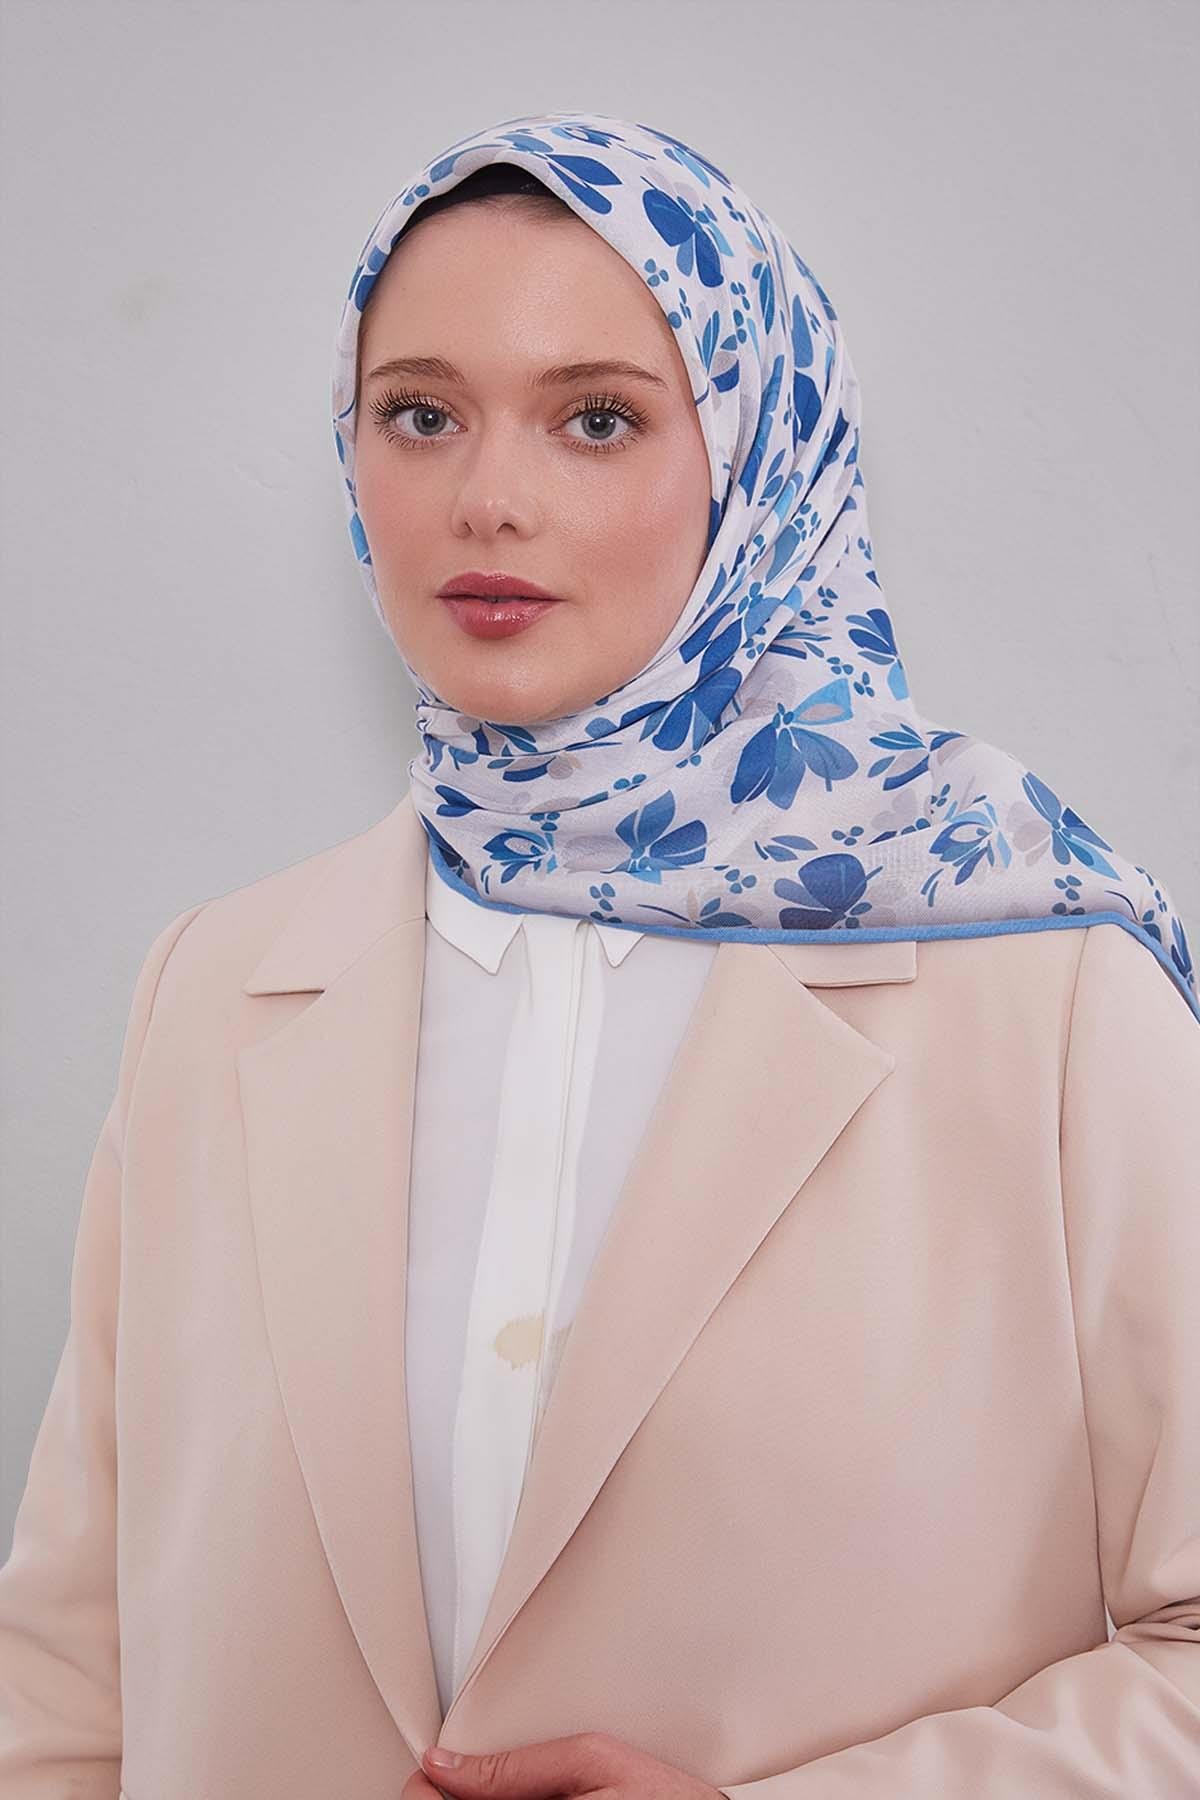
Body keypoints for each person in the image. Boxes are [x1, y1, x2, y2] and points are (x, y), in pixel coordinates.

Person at [0, 109, 1197, 1800]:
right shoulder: (211, 988)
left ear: (757, 462)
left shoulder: (1048, 983)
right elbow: (66, 1687)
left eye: (598, 420)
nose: (487, 500)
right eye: (420, 414)